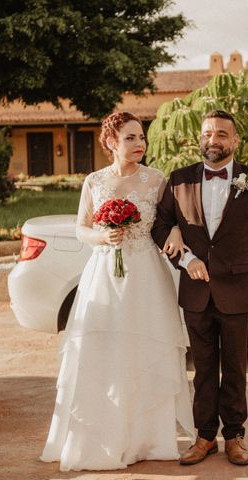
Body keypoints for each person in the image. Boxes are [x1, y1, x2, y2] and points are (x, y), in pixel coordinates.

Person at [40, 112, 195, 471]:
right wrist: (101, 235)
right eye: (130, 138)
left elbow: (169, 221)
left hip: (146, 276)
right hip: (106, 274)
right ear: (110, 141)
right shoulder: (94, 182)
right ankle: (104, 438)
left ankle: (149, 439)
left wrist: (172, 232)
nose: (139, 144)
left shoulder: (156, 180)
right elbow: (81, 227)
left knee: (144, 347)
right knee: (104, 351)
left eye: (141, 137)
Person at [152, 110, 248, 466]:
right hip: (195, 292)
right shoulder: (179, 179)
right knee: (203, 368)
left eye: (222, 134)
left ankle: (235, 437)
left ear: (235, 140)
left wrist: (239, 257)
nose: (214, 140)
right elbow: (160, 226)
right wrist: (185, 258)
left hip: (238, 290)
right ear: (201, 137)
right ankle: (204, 437)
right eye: (209, 133)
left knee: (235, 367)